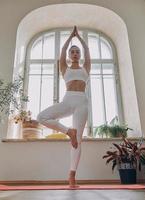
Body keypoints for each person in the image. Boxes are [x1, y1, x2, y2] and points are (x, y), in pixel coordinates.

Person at [37, 26, 90, 188]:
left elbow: (87, 50)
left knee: (78, 142)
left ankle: (72, 176)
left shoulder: (85, 68)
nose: (75, 53)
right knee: (41, 117)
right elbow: (63, 49)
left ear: (79, 55)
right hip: (68, 101)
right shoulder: (64, 67)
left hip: (82, 102)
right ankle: (69, 131)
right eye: (72, 52)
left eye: (77, 52)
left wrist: (79, 38)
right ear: (69, 55)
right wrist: (70, 38)